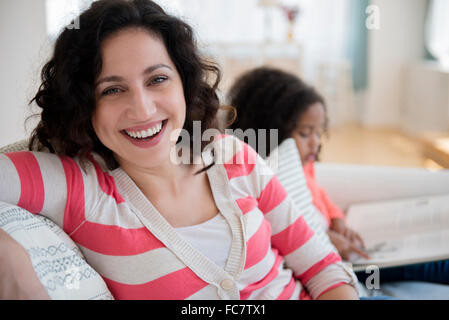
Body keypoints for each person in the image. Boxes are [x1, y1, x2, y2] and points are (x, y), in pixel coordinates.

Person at [0, 0, 358, 300]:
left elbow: (324, 268)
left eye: (157, 79)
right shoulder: (78, 185)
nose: (142, 109)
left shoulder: (233, 156)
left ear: (183, 83)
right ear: (83, 103)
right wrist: (12, 261)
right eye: (112, 89)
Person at [227, 66, 449, 286]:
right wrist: (330, 239)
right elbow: (280, 231)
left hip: (342, 241)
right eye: (305, 133)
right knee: (434, 267)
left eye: (319, 132)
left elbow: (319, 193)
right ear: (269, 128)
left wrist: (336, 219)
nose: (316, 142)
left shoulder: (305, 166)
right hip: (332, 260)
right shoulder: (263, 179)